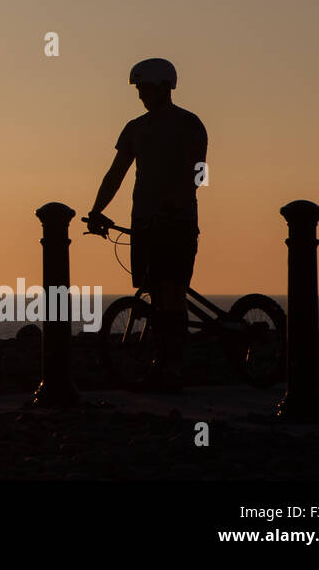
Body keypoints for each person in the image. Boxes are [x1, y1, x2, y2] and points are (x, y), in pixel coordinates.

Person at [87, 58, 208, 391]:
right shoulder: (134, 129)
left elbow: (199, 172)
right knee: (154, 293)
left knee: (172, 292)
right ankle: (160, 364)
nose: (140, 95)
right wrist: (96, 209)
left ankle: (173, 368)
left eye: (144, 88)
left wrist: (176, 201)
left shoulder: (189, 124)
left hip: (178, 222)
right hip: (144, 223)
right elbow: (116, 174)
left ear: (162, 88)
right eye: (138, 89)